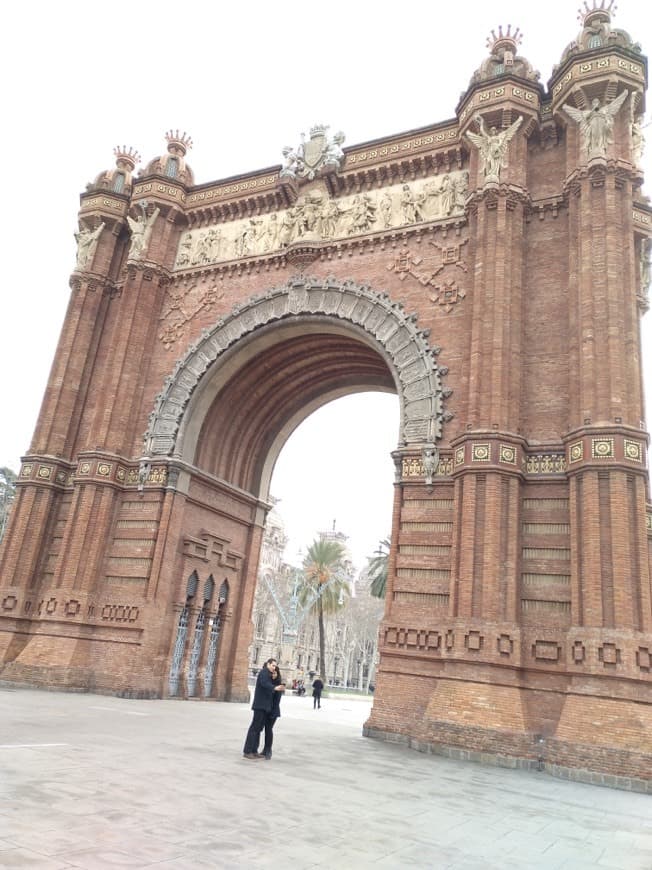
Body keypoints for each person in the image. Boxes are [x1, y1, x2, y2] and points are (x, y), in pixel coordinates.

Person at [242, 658, 285, 759]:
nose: (274, 668)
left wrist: (275, 682)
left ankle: (254, 750)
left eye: (275, 666)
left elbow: (272, 686)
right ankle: (247, 751)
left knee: (258, 729)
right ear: (268, 664)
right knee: (254, 728)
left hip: (265, 707)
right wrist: (275, 687)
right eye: (273, 665)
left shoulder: (270, 675)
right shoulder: (264, 673)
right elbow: (264, 683)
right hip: (260, 706)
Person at [261, 663, 284, 759]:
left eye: (275, 673)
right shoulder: (270, 683)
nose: (273, 675)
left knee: (269, 729)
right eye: (272, 673)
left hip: (273, 711)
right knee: (266, 729)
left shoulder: (278, 685)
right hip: (267, 709)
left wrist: (272, 711)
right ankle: (265, 750)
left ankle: (268, 750)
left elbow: (277, 701)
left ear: (278, 674)